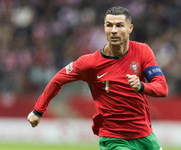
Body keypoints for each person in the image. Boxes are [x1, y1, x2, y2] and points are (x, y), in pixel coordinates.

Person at [28, 6, 168, 150]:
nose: (113, 30)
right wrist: (38, 110)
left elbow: (162, 88)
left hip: (145, 136)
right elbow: (58, 79)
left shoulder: (142, 51)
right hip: (114, 138)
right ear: (104, 28)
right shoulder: (90, 63)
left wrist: (141, 86)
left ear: (130, 28)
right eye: (109, 25)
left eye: (119, 25)